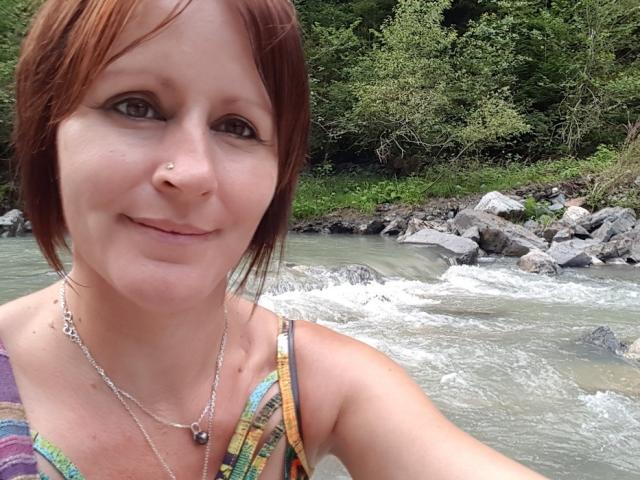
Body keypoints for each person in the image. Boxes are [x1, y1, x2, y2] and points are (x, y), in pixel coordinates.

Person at [0, 0, 548, 479]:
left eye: (237, 126)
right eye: (135, 106)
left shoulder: (329, 386)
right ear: (47, 132)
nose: (191, 173)